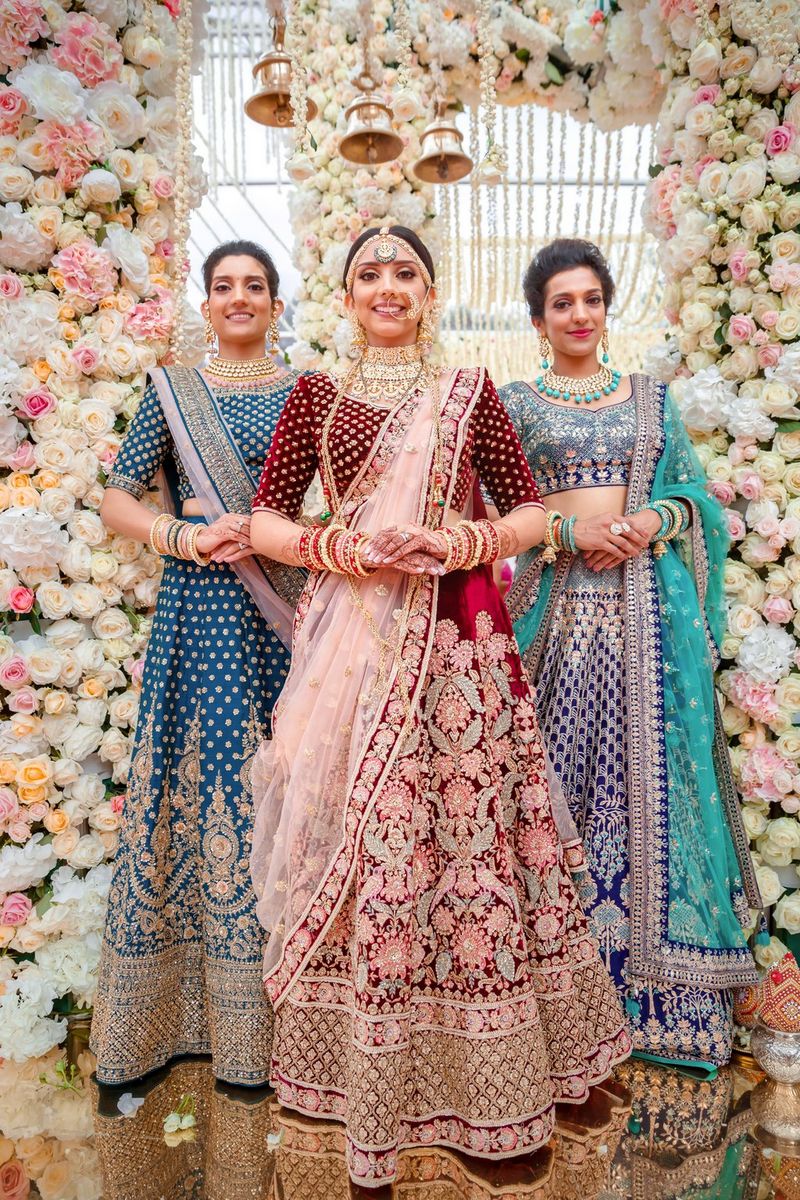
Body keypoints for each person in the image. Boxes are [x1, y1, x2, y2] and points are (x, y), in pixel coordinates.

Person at [247, 225, 630, 1189]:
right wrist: (344, 551)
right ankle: (364, 1076)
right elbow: (265, 519)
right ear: (345, 298)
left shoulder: (470, 392)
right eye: (369, 274)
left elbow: (535, 511)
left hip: (460, 652)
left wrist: (461, 540)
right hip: (354, 655)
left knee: (470, 856)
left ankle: (495, 1081)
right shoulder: (315, 397)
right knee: (367, 847)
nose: (387, 286)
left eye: (405, 274)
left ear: (429, 292)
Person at [500, 238, 760, 1072]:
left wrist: (653, 522)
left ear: (606, 309)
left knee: (656, 788)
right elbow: (497, 508)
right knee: (554, 789)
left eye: (591, 300)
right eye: (562, 303)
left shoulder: (651, 399)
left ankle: (663, 1004)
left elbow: (693, 497)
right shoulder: (515, 404)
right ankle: (554, 1005)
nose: (579, 315)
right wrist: (570, 531)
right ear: (538, 320)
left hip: (650, 624)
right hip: (558, 621)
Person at [90, 240, 304, 1086]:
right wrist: (178, 534)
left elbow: (333, 493)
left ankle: (292, 1028)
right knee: (208, 782)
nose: (240, 298)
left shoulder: (303, 390)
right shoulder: (171, 391)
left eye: (256, 286)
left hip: (290, 614)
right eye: (225, 287)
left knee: (285, 783)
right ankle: (186, 1020)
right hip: (199, 612)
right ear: (205, 303)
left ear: (275, 303)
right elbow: (117, 496)